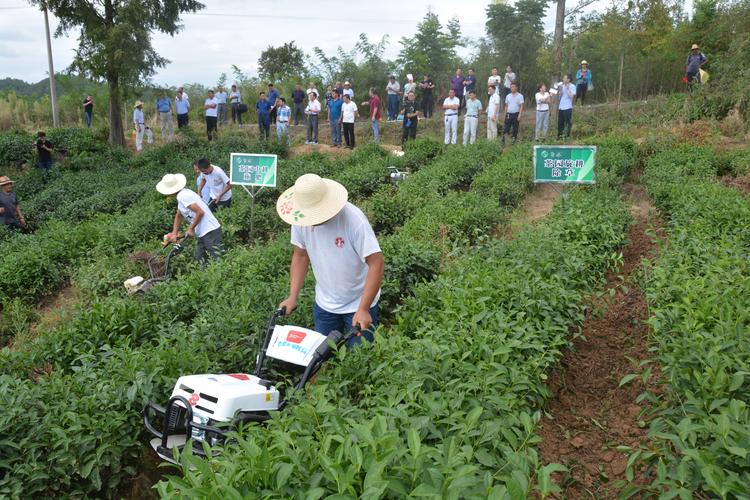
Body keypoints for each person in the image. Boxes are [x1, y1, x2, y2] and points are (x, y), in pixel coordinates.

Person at [277, 173, 384, 345]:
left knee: (359, 359)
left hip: (358, 302)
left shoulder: (354, 220)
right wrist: (292, 296)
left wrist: (364, 309)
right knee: (323, 357)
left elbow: (376, 263)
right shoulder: (300, 218)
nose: (311, 221)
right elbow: (300, 255)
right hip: (324, 304)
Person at [157, 173, 223, 265]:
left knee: (217, 258)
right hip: (202, 232)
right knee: (200, 259)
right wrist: (174, 233)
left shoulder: (183, 196)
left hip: (210, 230)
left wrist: (191, 229)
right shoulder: (181, 195)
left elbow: (200, 212)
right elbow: (179, 215)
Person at [557, 74, 576, 139]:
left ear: (568, 79)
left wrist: (567, 88)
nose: (563, 79)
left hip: (568, 107)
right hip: (561, 107)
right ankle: (559, 136)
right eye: (563, 78)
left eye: (564, 78)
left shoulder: (573, 86)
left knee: (568, 122)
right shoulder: (562, 86)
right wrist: (560, 90)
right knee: (560, 122)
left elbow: (571, 96)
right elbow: (560, 97)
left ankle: (567, 136)